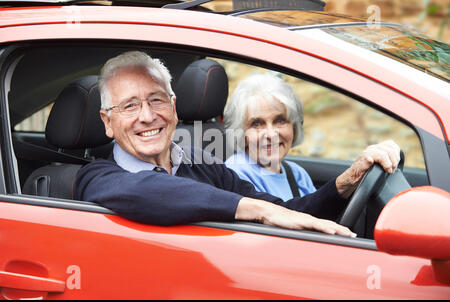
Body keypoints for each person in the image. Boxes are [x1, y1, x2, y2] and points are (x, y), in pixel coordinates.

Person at [73, 51, 401, 238]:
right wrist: (257, 211)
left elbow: (287, 214)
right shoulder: (97, 177)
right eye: (129, 106)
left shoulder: (206, 168)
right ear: (106, 122)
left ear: (173, 108)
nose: (147, 116)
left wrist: (348, 180)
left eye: (157, 100)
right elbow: (147, 190)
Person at [224, 73, 316, 201]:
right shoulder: (235, 175)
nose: (271, 134)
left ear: (294, 126)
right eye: (256, 124)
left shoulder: (297, 173)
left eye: (280, 121)